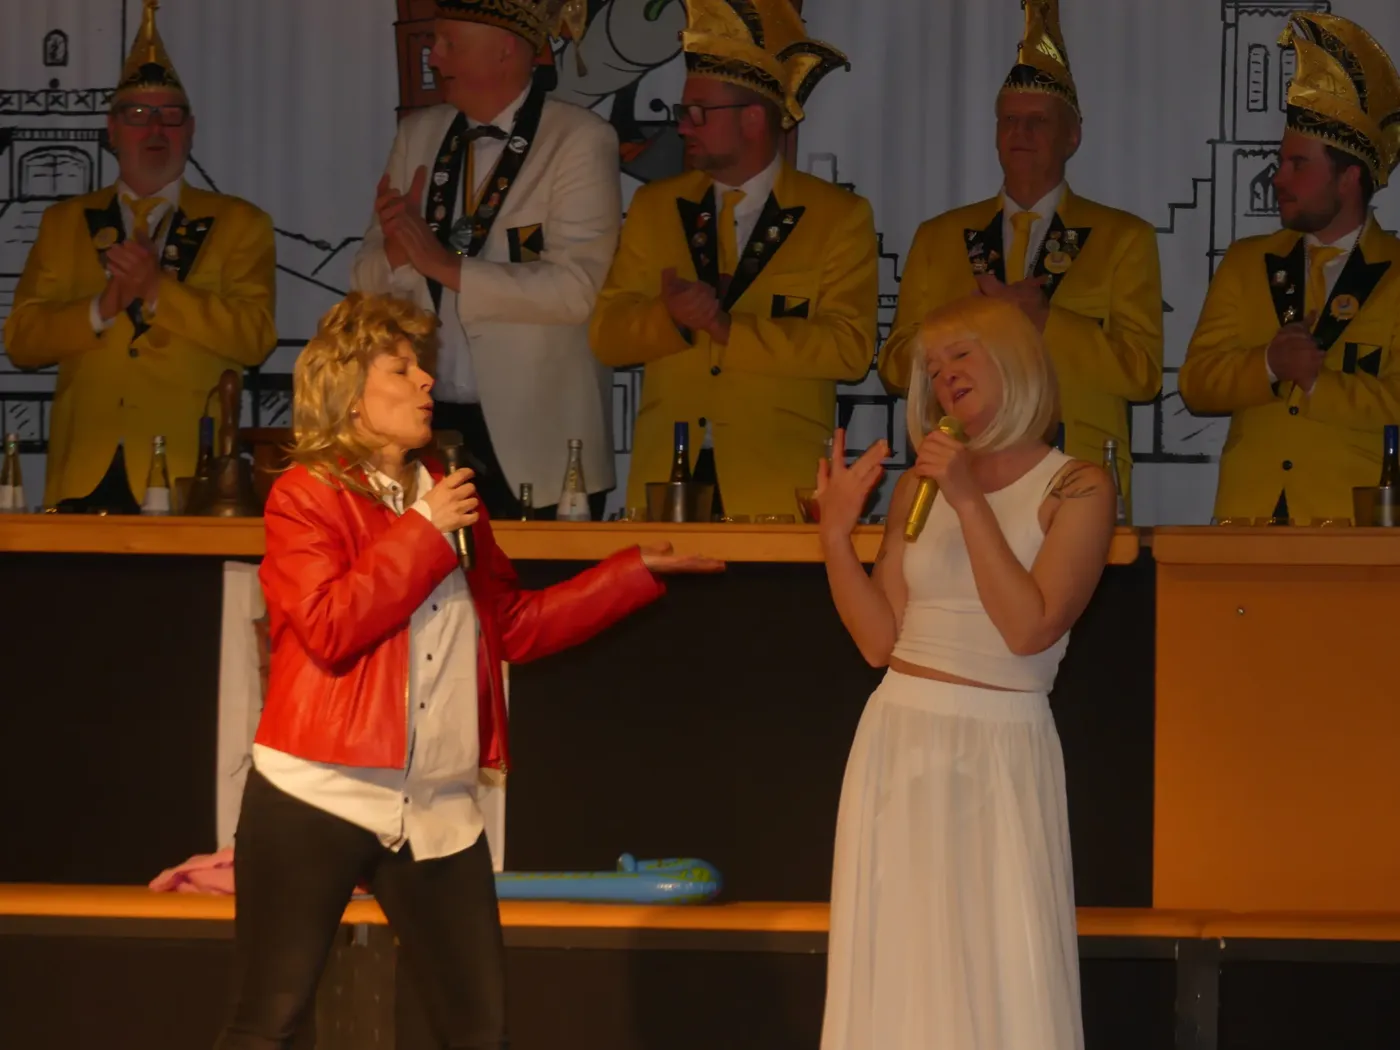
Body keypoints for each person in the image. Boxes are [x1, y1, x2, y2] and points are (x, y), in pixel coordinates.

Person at [215, 292, 721, 1049]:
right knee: (270, 1023)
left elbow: (512, 627)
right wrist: (424, 531)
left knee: (477, 1033)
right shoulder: (308, 495)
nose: (426, 380)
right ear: (350, 395)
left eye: (422, 366)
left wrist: (630, 574)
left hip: (436, 806)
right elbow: (328, 628)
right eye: (401, 368)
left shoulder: (449, 500)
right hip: (316, 791)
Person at [816, 295, 1115, 1049]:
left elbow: (1028, 628)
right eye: (932, 365)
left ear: (1014, 360)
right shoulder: (917, 486)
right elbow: (877, 642)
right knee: (900, 959)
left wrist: (968, 498)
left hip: (999, 746)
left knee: (998, 960)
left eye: (960, 355)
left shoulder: (1078, 487)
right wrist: (835, 537)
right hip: (898, 737)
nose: (944, 375)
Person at [588, 0, 878, 520]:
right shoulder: (655, 206)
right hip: (669, 479)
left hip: (778, 482)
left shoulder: (838, 215)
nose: (683, 127)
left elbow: (850, 349)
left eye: (699, 113)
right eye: (683, 112)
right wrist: (672, 319)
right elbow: (606, 336)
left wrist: (729, 329)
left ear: (753, 119)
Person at [876, 0, 1161, 509]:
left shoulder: (1123, 238)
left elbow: (1143, 376)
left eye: (1037, 122)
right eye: (1008, 120)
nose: (1020, 134)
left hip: (1076, 481)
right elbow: (895, 368)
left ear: (1072, 135)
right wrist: (968, 324)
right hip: (958, 477)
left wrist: (1047, 321)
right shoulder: (939, 237)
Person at [4, 0, 276, 513]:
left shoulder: (241, 222)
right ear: (111, 130)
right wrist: (101, 309)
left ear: (190, 130)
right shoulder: (63, 222)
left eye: (169, 116)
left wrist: (157, 291)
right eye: (136, 115)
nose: (154, 129)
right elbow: (21, 340)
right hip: (82, 468)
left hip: (188, 471)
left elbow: (254, 338)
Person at [351, 0, 619, 522]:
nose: (434, 56)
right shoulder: (418, 135)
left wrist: (443, 265)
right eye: (435, 42)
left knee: (536, 576)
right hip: (425, 429)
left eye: (449, 43)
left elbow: (574, 291)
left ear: (506, 50)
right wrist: (399, 252)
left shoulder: (579, 139)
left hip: (540, 443)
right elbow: (364, 281)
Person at [1179, 11, 1400, 524]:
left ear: (1348, 179)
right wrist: (1268, 365)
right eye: (1283, 162)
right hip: (1247, 519)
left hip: (1356, 525)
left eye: (1298, 165)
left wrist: (1319, 381)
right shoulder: (1246, 260)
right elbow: (1196, 383)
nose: (1278, 178)